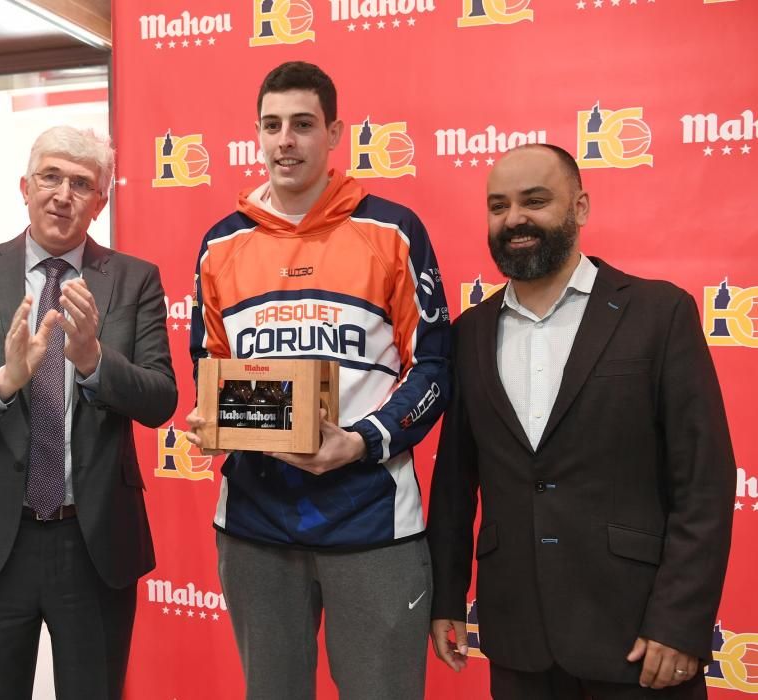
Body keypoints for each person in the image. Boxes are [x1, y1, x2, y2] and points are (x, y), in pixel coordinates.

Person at [427, 143, 736, 699]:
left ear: (581, 207)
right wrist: (447, 598)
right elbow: (455, 482)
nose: (514, 219)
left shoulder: (659, 313)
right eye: (498, 206)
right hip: (518, 638)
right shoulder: (470, 331)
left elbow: (705, 484)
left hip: (639, 640)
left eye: (535, 200)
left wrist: (679, 622)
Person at [185, 61, 450, 699]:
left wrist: (359, 441)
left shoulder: (393, 230)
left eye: (303, 125)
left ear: (334, 133)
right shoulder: (220, 244)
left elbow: (435, 366)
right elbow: (210, 367)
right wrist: (216, 421)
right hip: (255, 524)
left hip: (372, 521)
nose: (286, 141)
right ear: (256, 133)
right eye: (272, 126)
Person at [0, 126, 177, 700]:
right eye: (50, 177)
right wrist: (5, 381)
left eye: (81, 184)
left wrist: (95, 361)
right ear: (25, 187)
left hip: (95, 542)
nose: (63, 194)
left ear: (101, 201)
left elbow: (160, 400)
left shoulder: (135, 280)